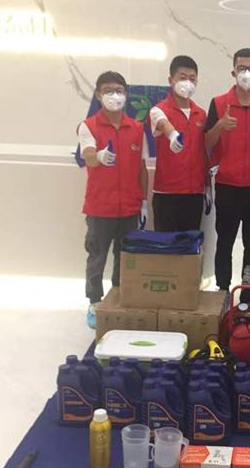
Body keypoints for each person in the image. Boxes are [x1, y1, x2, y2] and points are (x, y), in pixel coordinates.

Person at [77, 71, 148, 328]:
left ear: (126, 95)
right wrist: (99, 156)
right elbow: (87, 154)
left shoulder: (137, 128)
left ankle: (118, 298)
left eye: (118, 90)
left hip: (129, 208)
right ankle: (95, 302)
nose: (114, 95)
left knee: (125, 258)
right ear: (98, 94)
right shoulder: (88, 126)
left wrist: (143, 202)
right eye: (108, 90)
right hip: (100, 208)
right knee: (97, 257)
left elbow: (142, 168)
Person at [205, 47, 250, 292]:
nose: (247, 73)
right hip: (227, 186)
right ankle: (223, 290)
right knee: (224, 242)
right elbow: (206, 143)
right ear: (233, 72)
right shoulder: (219, 103)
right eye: (242, 68)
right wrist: (220, 126)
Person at [149, 55, 207, 232]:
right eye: (182, 77)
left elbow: (204, 152)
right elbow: (162, 123)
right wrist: (173, 135)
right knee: (166, 246)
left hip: (194, 194)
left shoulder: (201, 114)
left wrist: (207, 187)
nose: (188, 83)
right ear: (171, 80)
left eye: (192, 79)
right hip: (167, 194)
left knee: (189, 246)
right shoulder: (159, 110)